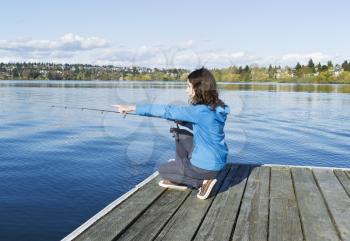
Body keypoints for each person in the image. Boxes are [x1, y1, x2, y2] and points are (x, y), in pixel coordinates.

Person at [114, 67, 230, 199]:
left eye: (188, 86)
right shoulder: (218, 108)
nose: (186, 90)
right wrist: (186, 123)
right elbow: (208, 128)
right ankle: (188, 171)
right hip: (218, 163)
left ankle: (200, 182)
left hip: (204, 168)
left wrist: (131, 108)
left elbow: (166, 110)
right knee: (180, 132)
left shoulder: (199, 111)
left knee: (163, 170)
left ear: (198, 88)